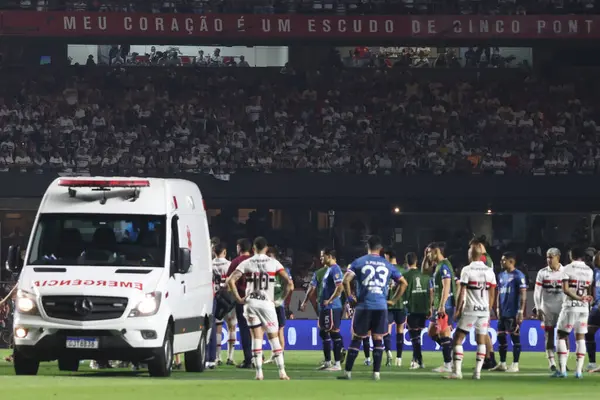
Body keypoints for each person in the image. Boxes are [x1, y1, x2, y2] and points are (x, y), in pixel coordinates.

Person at [337, 235, 407, 381]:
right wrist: (393, 301)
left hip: (364, 305)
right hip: (381, 306)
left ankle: (347, 373)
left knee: (357, 338)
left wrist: (350, 298)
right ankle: (376, 373)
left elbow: (345, 281)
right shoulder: (388, 265)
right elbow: (403, 283)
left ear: (367, 247)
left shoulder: (359, 262)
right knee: (378, 338)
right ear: (381, 249)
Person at [226, 236, 292, 380]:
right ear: (266, 248)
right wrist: (280, 300)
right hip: (267, 304)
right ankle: (282, 372)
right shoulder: (274, 263)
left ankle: (259, 373)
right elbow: (289, 283)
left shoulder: (247, 262)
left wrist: (238, 298)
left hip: (251, 303)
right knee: (273, 337)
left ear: (253, 248)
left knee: (256, 336)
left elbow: (231, 280)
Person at [446, 244, 497, 380]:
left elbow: (462, 292)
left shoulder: (467, 270)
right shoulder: (489, 271)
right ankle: (478, 373)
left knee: (457, 339)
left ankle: (457, 372)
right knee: (481, 341)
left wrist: (457, 310)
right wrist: (489, 310)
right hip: (484, 310)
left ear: (471, 255)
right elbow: (492, 294)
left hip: (470, 309)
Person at [552, 246, 594, 379]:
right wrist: (586, 299)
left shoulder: (567, 268)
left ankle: (563, 370)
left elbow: (566, 290)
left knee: (561, 335)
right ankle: (579, 371)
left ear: (572, 255)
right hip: (584, 308)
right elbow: (588, 289)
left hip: (570, 306)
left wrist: (578, 297)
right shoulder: (589, 270)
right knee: (580, 338)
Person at [491, 252, 527, 372]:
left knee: (514, 338)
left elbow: (523, 294)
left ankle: (515, 364)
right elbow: (499, 292)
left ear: (511, 261)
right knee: (500, 337)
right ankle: (502, 363)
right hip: (502, 311)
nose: (501, 262)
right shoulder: (501, 275)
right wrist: (497, 308)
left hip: (513, 312)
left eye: (503, 260)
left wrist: (521, 311)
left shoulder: (518, 275)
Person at [533, 247, 565, 371]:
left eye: (551, 257)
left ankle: (563, 363)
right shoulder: (542, 273)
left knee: (563, 336)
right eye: (547, 257)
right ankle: (552, 363)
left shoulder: (565, 271)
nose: (548, 260)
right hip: (547, 308)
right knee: (549, 335)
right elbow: (537, 292)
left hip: (562, 308)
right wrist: (538, 307)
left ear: (558, 257)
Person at [314, 247, 346, 371]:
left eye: (323, 256)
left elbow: (340, 287)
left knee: (333, 332)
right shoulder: (329, 270)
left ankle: (337, 364)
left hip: (332, 307)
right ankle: (327, 362)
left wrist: (330, 300)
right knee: (323, 332)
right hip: (325, 307)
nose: (321, 258)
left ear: (330, 256)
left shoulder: (336, 269)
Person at [469, 237, 497, 369]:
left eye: (473, 247)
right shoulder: (488, 258)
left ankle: (489, 358)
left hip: (481, 297)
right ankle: (490, 357)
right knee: (482, 331)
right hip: (484, 296)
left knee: (480, 333)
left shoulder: (483, 259)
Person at [428, 242, 456, 373]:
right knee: (432, 333)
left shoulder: (444, 266)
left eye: (429, 252)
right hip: (439, 305)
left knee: (444, 333)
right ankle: (451, 354)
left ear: (437, 251)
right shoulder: (438, 266)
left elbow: (447, 286)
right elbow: (424, 270)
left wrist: (442, 305)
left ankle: (448, 364)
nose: (428, 255)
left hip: (445, 305)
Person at [226, 238, 253, 369]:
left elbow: (229, 281)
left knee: (244, 329)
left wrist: (236, 297)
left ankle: (248, 358)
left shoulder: (236, 262)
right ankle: (258, 355)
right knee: (256, 328)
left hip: (242, 299)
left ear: (239, 247)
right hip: (257, 299)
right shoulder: (255, 261)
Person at [265, 247, 294, 365]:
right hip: (267, 304)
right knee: (269, 330)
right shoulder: (265, 270)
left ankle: (280, 354)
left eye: (270, 257)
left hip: (278, 305)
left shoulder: (283, 270)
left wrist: (281, 299)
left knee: (280, 330)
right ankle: (273, 354)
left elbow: (291, 286)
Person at [402, 251, 430, 369]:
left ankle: (418, 360)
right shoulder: (425, 275)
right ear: (416, 261)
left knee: (414, 337)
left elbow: (403, 292)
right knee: (417, 336)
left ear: (407, 262)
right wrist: (430, 307)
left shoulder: (406, 275)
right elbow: (430, 291)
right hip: (423, 308)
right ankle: (417, 359)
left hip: (412, 308)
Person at [299, 262, 330, 369]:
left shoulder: (324, 272)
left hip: (329, 305)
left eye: (323, 256)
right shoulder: (333, 271)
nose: (321, 259)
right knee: (325, 331)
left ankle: (332, 360)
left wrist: (305, 301)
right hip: (326, 305)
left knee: (328, 332)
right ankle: (330, 359)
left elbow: (312, 288)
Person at [382, 248, 407, 367]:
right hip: (401, 304)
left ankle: (388, 353)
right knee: (400, 331)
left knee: (386, 330)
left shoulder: (385, 269)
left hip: (388, 304)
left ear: (387, 256)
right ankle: (399, 358)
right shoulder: (403, 270)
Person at [211, 243, 231, 366]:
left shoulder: (210, 264)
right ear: (224, 251)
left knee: (217, 326)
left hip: (214, 295)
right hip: (227, 296)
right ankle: (231, 356)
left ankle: (218, 356)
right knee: (231, 325)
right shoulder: (229, 264)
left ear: (214, 252)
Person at [588, 253, 600, 372]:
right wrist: (591, 297)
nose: (595, 260)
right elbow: (592, 286)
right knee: (589, 332)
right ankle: (592, 362)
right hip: (596, 307)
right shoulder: (595, 272)